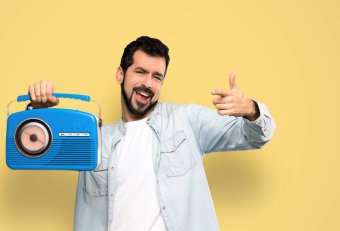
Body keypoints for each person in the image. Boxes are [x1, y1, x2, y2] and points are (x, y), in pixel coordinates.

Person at [27, 36, 276, 231]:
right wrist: (39, 115)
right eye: (140, 72)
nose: (148, 83)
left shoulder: (186, 121)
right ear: (120, 74)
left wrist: (251, 110)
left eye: (157, 76)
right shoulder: (95, 140)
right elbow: (34, 150)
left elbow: (255, 136)